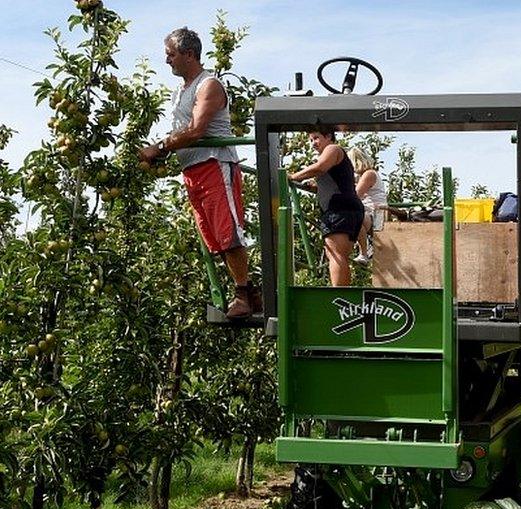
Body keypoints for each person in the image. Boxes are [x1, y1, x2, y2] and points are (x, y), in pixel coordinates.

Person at [138, 27, 261, 319]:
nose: (167, 60)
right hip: (193, 170)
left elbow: (196, 130)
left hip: (214, 164)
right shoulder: (180, 91)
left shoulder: (209, 85)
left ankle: (243, 294)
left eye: (171, 54)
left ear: (189, 54)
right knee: (214, 238)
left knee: (227, 233)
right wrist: (165, 151)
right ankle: (251, 293)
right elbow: (182, 132)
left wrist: (160, 147)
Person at [288, 126, 364, 286]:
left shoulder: (333, 149)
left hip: (339, 209)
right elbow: (334, 182)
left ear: (328, 136)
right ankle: (343, 295)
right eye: (310, 140)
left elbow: (319, 167)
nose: (313, 143)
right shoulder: (335, 157)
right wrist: (314, 187)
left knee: (335, 254)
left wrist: (294, 176)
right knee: (339, 255)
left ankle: (339, 297)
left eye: (316, 138)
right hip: (348, 208)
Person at [347, 147, 387, 265]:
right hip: (369, 212)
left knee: (353, 215)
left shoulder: (369, 174)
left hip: (377, 215)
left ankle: (363, 253)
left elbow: (355, 196)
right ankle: (361, 247)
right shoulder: (361, 176)